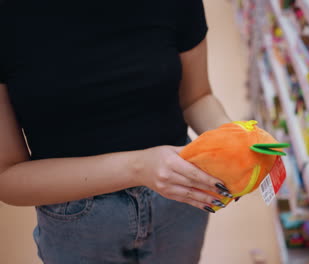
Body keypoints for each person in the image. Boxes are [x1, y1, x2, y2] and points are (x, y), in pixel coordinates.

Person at [0, 1, 232, 263]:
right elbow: (7, 176)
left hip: (179, 200)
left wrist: (231, 138)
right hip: (76, 220)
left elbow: (196, 97)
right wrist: (139, 167)